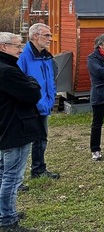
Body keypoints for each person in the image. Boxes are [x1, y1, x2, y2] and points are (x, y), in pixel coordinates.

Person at [0, 32, 41, 232]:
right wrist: (32, 81)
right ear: (3, 47)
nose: (21, 49)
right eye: (17, 46)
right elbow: (32, 93)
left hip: (7, 127)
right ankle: (7, 219)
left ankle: (5, 211)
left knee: (3, 173)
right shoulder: (7, 71)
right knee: (12, 176)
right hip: (15, 128)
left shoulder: (8, 68)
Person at [17, 23, 59, 181]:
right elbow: (19, 82)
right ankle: (15, 177)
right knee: (21, 143)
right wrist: (33, 101)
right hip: (29, 106)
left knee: (41, 139)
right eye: (46, 35)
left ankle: (39, 169)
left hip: (44, 105)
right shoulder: (23, 56)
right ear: (35, 36)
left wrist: (50, 98)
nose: (50, 38)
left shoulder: (46, 55)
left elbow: (51, 80)